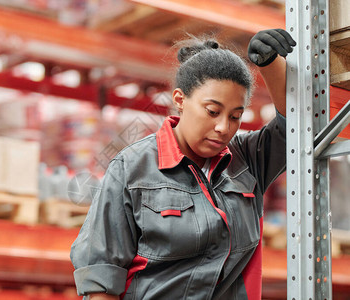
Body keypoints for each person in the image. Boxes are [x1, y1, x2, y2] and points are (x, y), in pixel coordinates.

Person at [70, 29, 296, 300]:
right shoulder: (131, 169)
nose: (224, 127)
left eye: (236, 116)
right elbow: (100, 279)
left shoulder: (248, 160)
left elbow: (295, 125)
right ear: (179, 100)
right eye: (212, 112)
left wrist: (270, 64)